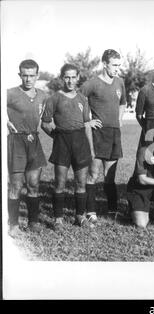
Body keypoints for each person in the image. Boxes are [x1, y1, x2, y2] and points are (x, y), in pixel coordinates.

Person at [41, 64, 94, 230]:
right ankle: (58, 219)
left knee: (81, 183)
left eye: (73, 77)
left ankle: (80, 216)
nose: (70, 81)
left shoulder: (82, 99)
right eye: (67, 77)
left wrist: (91, 149)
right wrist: (57, 137)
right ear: (62, 78)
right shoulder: (54, 98)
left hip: (80, 142)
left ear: (78, 77)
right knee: (60, 183)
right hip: (62, 142)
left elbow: (86, 125)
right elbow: (45, 123)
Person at [80, 49, 127, 221]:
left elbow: (123, 103)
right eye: (114, 65)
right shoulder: (92, 83)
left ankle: (112, 210)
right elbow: (77, 101)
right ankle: (91, 211)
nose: (117, 68)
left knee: (110, 175)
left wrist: (120, 119)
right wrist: (87, 121)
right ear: (104, 64)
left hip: (114, 133)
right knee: (93, 173)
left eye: (118, 65)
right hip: (98, 133)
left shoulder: (120, 82)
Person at [7, 59, 48, 236]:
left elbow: (47, 119)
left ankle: (33, 222)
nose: (28, 79)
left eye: (32, 75)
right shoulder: (10, 93)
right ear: (20, 75)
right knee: (16, 185)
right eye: (25, 75)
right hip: (16, 141)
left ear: (37, 76)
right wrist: (6, 121)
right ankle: (14, 224)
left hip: (34, 141)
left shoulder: (42, 95)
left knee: (33, 184)